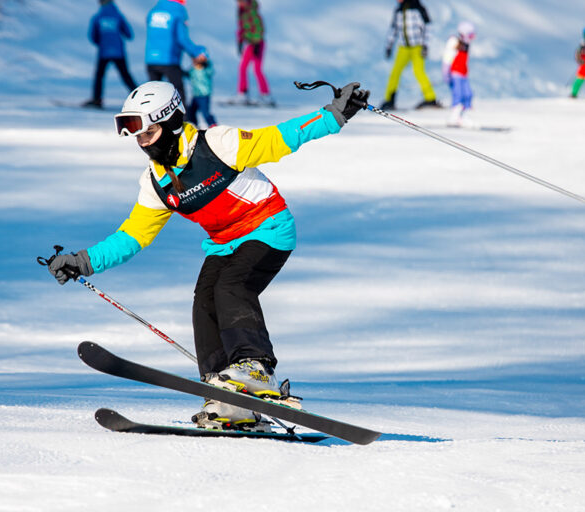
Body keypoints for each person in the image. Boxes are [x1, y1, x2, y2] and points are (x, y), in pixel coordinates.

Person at [48, 80, 369, 431]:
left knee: (231, 287)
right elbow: (133, 235)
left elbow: (281, 138)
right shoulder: (157, 183)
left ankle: (254, 368)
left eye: (149, 132)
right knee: (205, 301)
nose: (143, 142)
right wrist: (84, 261)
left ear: (170, 122)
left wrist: (333, 116)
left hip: (268, 228)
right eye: (137, 136)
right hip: (224, 242)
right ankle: (226, 396)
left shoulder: (218, 144)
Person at [145, 0, 207, 106]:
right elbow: (182, 38)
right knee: (178, 94)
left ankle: (153, 121)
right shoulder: (177, 11)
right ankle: (183, 120)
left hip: (151, 58)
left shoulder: (154, 10)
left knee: (153, 96)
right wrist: (197, 52)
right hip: (169, 59)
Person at [381, 0, 439, 110]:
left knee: (419, 71)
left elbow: (428, 27)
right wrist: (389, 45)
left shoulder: (418, 8)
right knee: (395, 72)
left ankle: (430, 98)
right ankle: (390, 99)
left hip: (417, 46)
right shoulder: (398, 10)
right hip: (403, 47)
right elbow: (394, 29)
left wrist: (425, 45)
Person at [83, 0, 138, 109]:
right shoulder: (118, 15)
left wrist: (102, 42)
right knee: (125, 75)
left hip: (104, 52)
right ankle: (138, 96)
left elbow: (93, 36)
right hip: (118, 52)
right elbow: (129, 34)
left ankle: (97, 99)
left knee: (99, 76)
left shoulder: (98, 17)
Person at [235, 0, 273, 106]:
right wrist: (240, 42)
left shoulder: (252, 11)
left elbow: (259, 28)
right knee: (243, 67)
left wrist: (256, 42)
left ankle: (265, 95)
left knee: (257, 69)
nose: (238, 3)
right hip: (250, 43)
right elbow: (242, 29)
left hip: (257, 43)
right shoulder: (241, 12)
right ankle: (242, 94)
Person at [442, 21, 476, 127]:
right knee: (458, 94)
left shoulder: (466, 45)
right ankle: (454, 117)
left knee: (468, 94)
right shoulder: (454, 42)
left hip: (463, 74)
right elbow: (447, 58)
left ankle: (464, 116)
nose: (472, 37)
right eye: (470, 35)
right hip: (455, 73)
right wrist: (446, 73)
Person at [185, 55, 217, 127]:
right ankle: (194, 125)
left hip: (204, 95)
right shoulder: (193, 70)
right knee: (191, 111)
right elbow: (187, 74)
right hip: (195, 95)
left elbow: (211, 71)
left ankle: (213, 125)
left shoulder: (206, 69)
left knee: (205, 113)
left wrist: (207, 62)